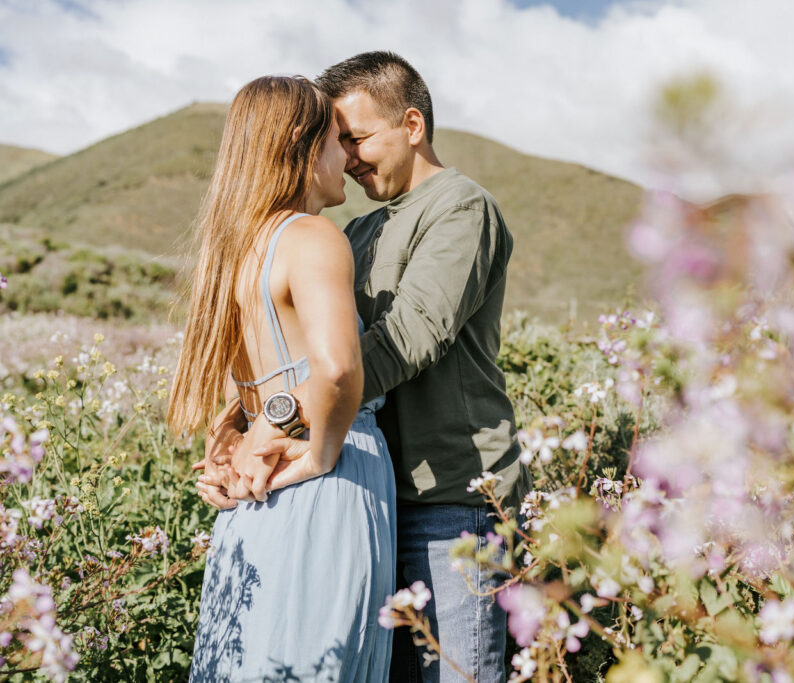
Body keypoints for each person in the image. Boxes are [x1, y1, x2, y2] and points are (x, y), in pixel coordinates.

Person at [198, 52, 531, 682]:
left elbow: (410, 335)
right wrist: (242, 428)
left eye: (358, 138)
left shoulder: (460, 207)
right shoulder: (353, 231)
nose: (348, 157)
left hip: (450, 498)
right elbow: (299, 348)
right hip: (366, 493)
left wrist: (284, 421)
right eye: (338, 141)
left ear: (411, 124)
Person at [169, 75, 396, 682]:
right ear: (301, 142)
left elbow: (244, 397)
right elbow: (339, 367)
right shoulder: (312, 235)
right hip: (324, 474)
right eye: (335, 140)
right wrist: (321, 453)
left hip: (254, 487)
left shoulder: (230, 253)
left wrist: (235, 451)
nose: (347, 157)